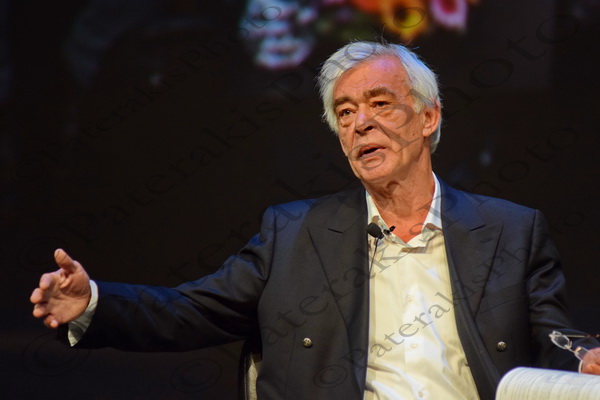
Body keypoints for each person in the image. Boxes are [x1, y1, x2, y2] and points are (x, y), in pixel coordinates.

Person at [30, 41, 600, 399]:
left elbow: (552, 340)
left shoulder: (510, 229)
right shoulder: (293, 233)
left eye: (380, 103)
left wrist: (583, 360)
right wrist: (94, 303)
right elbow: (191, 311)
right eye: (345, 113)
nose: (359, 124)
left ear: (428, 118)